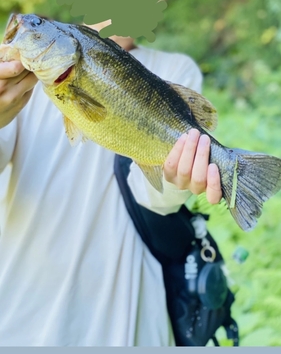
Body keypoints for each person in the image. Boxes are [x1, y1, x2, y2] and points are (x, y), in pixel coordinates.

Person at [0, 18, 222, 346]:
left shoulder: (177, 68)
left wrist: (183, 175)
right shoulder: (25, 68)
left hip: (129, 316)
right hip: (26, 313)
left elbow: (157, 198)